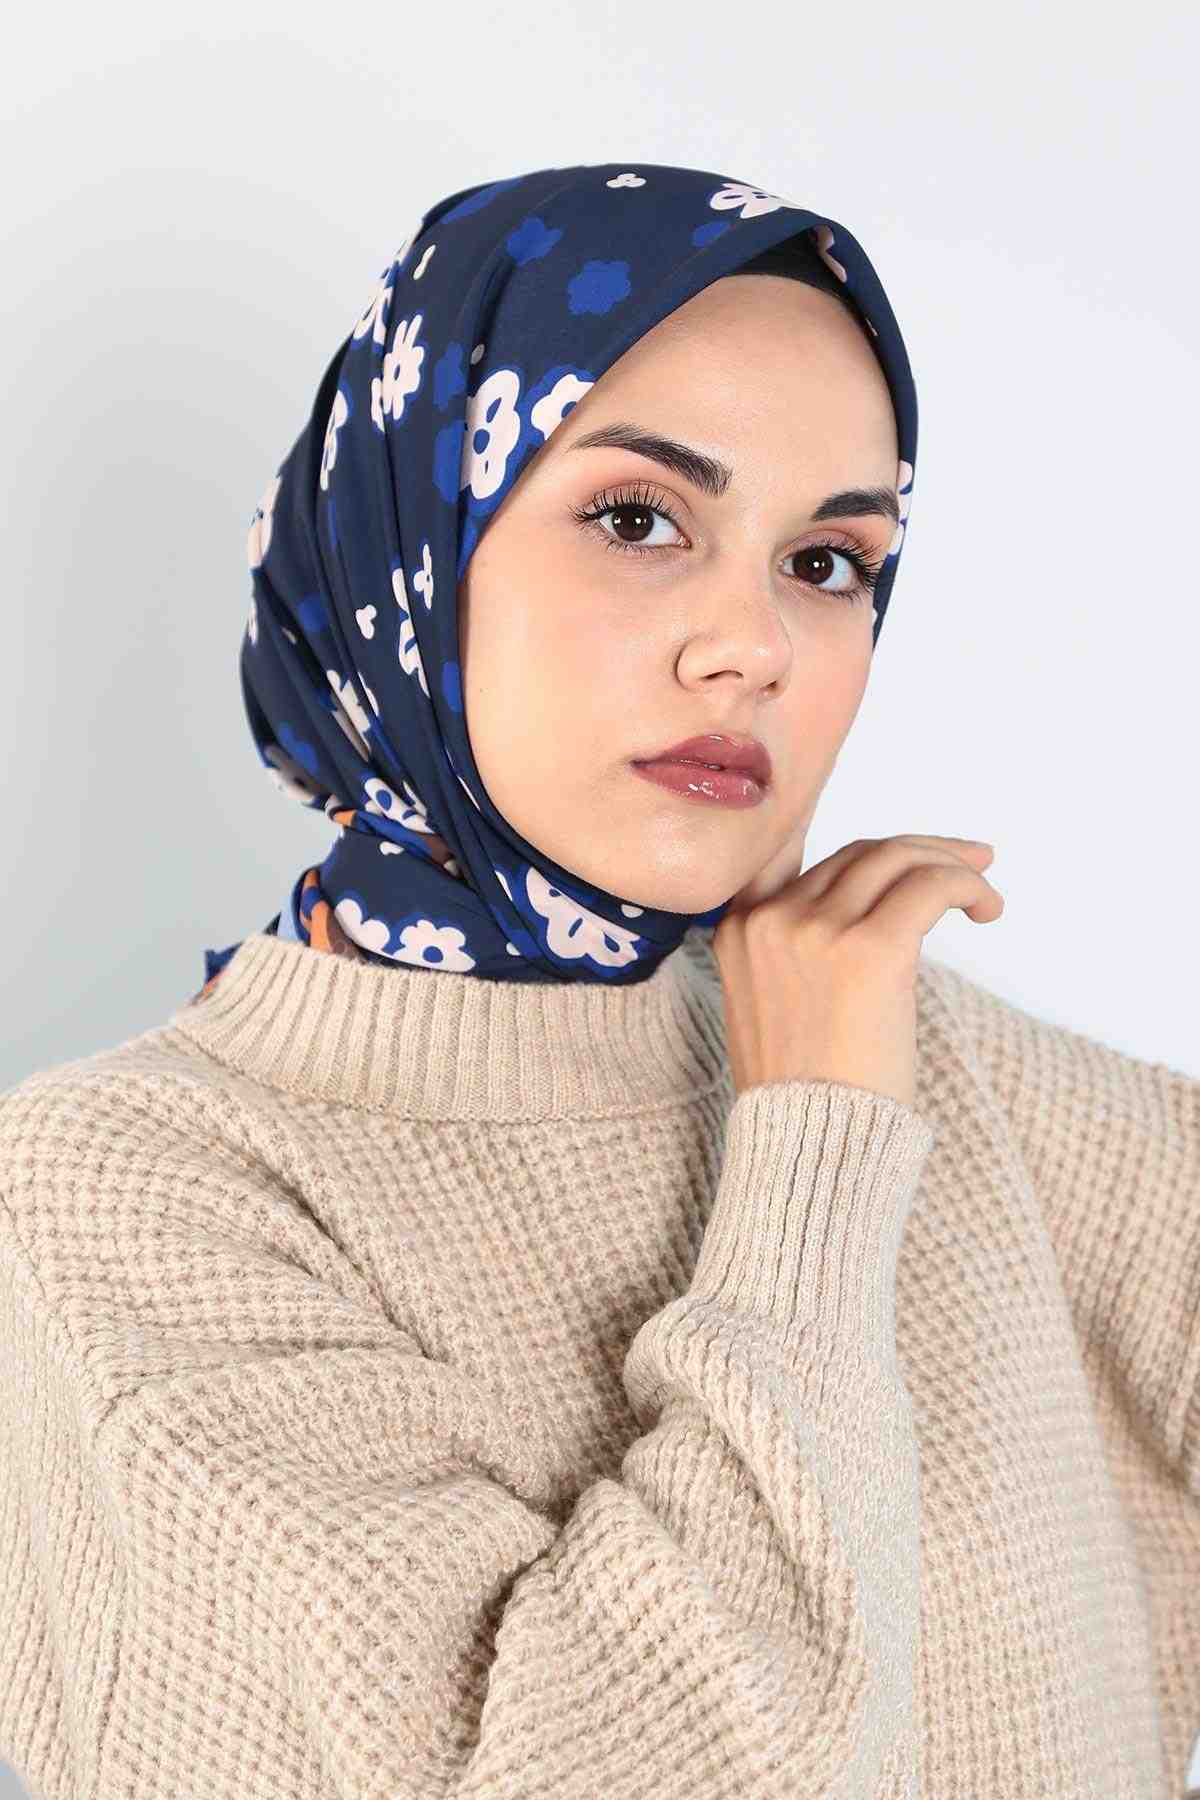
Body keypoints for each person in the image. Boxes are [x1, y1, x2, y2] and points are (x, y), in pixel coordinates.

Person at [0, 160, 1195, 1800]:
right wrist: (817, 1152)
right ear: (410, 544)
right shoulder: (133, 1186)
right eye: (639, 520)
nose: (753, 647)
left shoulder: (888, 1042)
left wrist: (833, 1079)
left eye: (828, 561)